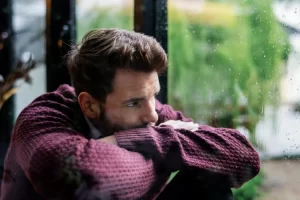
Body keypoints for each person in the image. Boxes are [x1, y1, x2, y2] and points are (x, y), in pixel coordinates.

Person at [0, 28, 260, 200]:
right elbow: (87, 180)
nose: (153, 117)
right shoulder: (40, 119)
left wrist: (139, 141)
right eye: (134, 103)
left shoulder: (152, 113)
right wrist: (171, 155)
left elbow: (244, 159)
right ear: (89, 105)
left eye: (153, 95)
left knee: (210, 181)